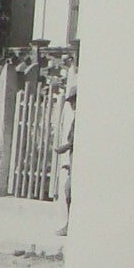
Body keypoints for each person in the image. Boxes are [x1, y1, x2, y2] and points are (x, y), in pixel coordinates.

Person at [55, 81, 77, 237]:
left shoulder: (81, 120)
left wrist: (63, 148)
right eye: (70, 101)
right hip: (74, 163)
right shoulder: (77, 119)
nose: (71, 104)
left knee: (70, 191)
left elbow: (75, 142)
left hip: (79, 163)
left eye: (73, 100)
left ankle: (71, 226)